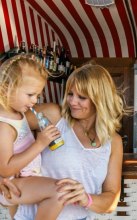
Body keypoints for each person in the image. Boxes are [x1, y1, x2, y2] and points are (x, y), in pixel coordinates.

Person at [2, 63, 127, 219]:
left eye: (81, 97)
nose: (72, 102)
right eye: (70, 94)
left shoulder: (113, 141)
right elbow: (5, 124)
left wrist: (86, 199)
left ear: (100, 100)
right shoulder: (53, 116)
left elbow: (111, 201)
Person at [0, 54, 65, 219]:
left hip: (25, 179)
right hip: (13, 183)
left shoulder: (17, 114)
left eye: (37, 95)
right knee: (60, 192)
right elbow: (5, 168)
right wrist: (40, 143)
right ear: (6, 88)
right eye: (30, 95)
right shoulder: (4, 126)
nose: (34, 101)